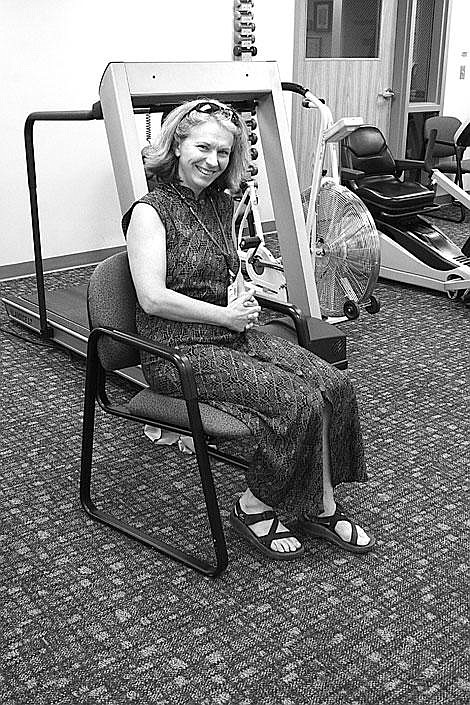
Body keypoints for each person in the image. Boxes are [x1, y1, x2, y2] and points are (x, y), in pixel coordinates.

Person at [123, 98, 375, 560]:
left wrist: (240, 294)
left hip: (227, 334)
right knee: (294, 400)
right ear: (177, 144)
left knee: (333, 384)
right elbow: (151, 298)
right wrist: (224, 315)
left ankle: (320, 503)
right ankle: (253, 506)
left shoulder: (220, 204)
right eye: (202, 147)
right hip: (174, 351)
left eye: (222, 152)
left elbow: (224, 270)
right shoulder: (149, 211)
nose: (212, 161)